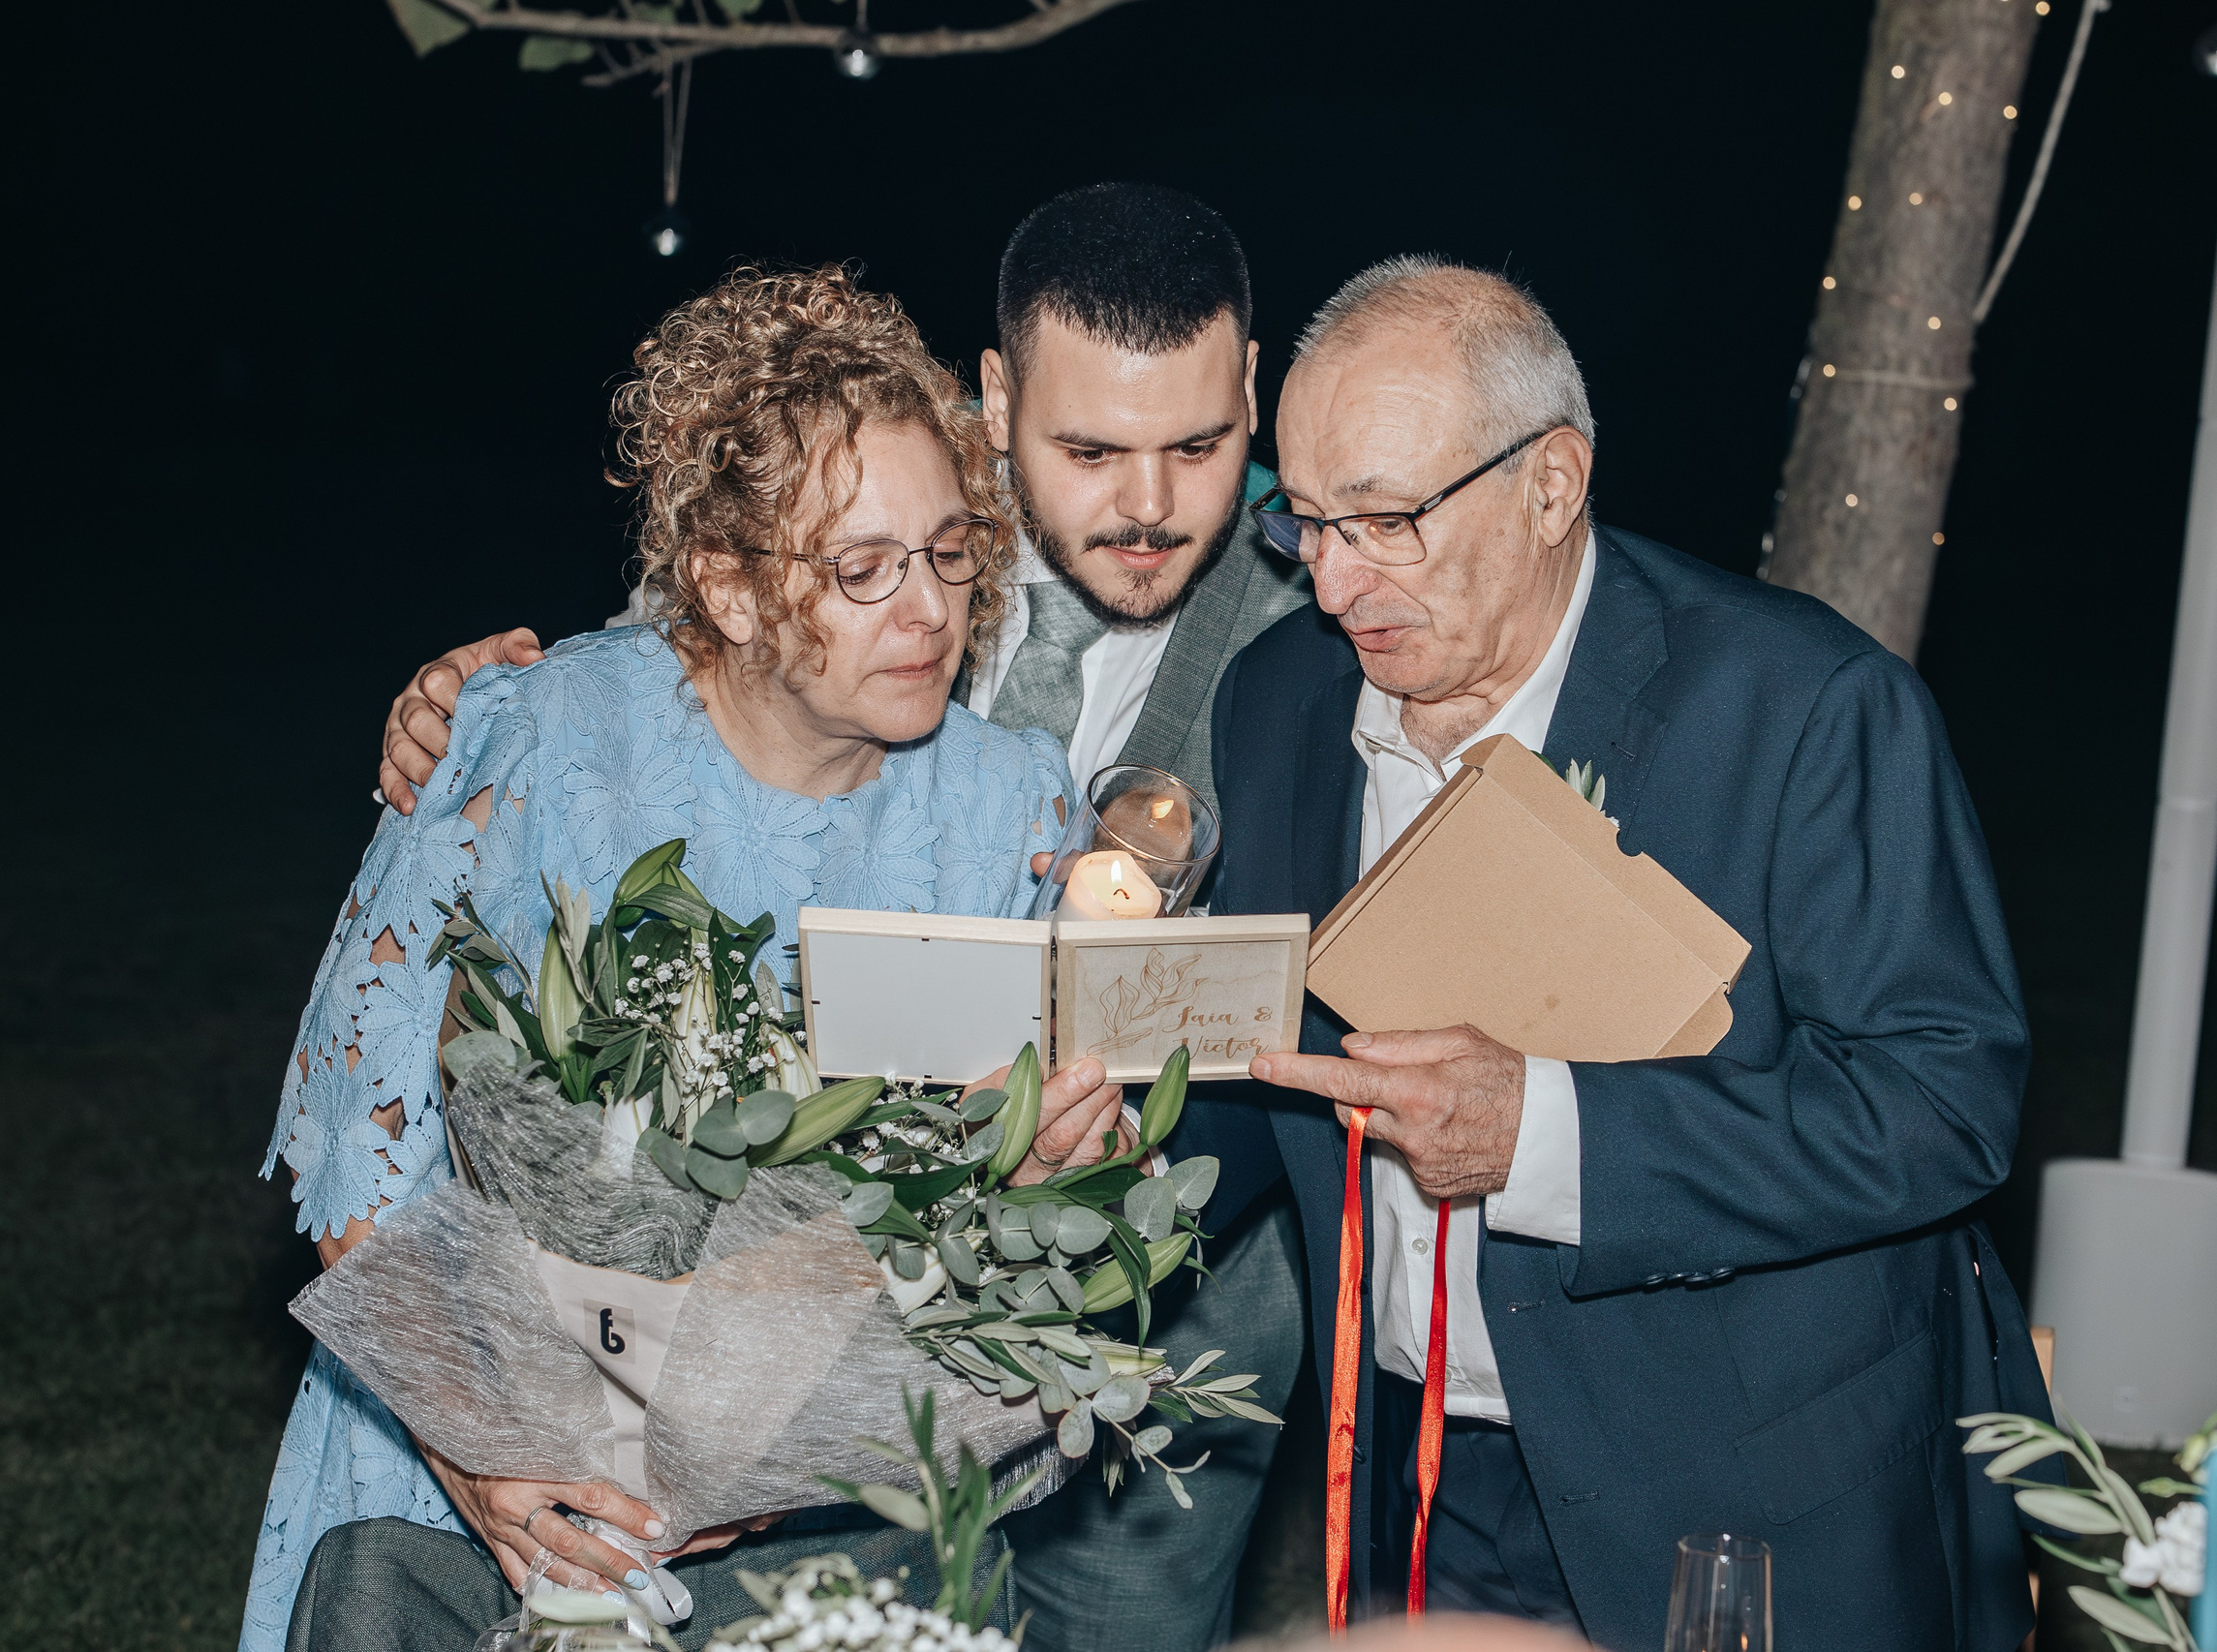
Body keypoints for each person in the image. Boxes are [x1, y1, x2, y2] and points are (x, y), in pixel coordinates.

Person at [362, 184, 1314, 1652]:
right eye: (1089, 449)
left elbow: (1338, 983)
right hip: (742, 1320)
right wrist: (469, 719)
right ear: (994, 401)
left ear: (1256, 389)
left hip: (1168, 1320)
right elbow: (669, 716)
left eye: (1200, 445)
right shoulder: (892, 498)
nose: (1147, 502)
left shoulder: (1336, 619)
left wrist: (1131, 1144)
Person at [246, 263, 1144, 1652]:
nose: (925, 611)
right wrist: (480, 1457)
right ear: (725, 582)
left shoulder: (1012, 811)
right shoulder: (540, 743)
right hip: (464, 1460)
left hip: (828, 1518)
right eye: (860, 569)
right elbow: (368, 1142)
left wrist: (1055, 1157)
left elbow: (1006, 1205)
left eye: (952, 551)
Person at [1174, 258, 2054, 1650]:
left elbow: (1942, 1103)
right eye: (1307, 519)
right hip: (1411, 1472)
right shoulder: (1278, 700)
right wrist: (1104, 1143)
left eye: (1389, 519)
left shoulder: (1806, 710)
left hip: (1732, 1483)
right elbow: (1268, 1057)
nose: (1335, 583)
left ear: (1552, 482)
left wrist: (1547, 1133)